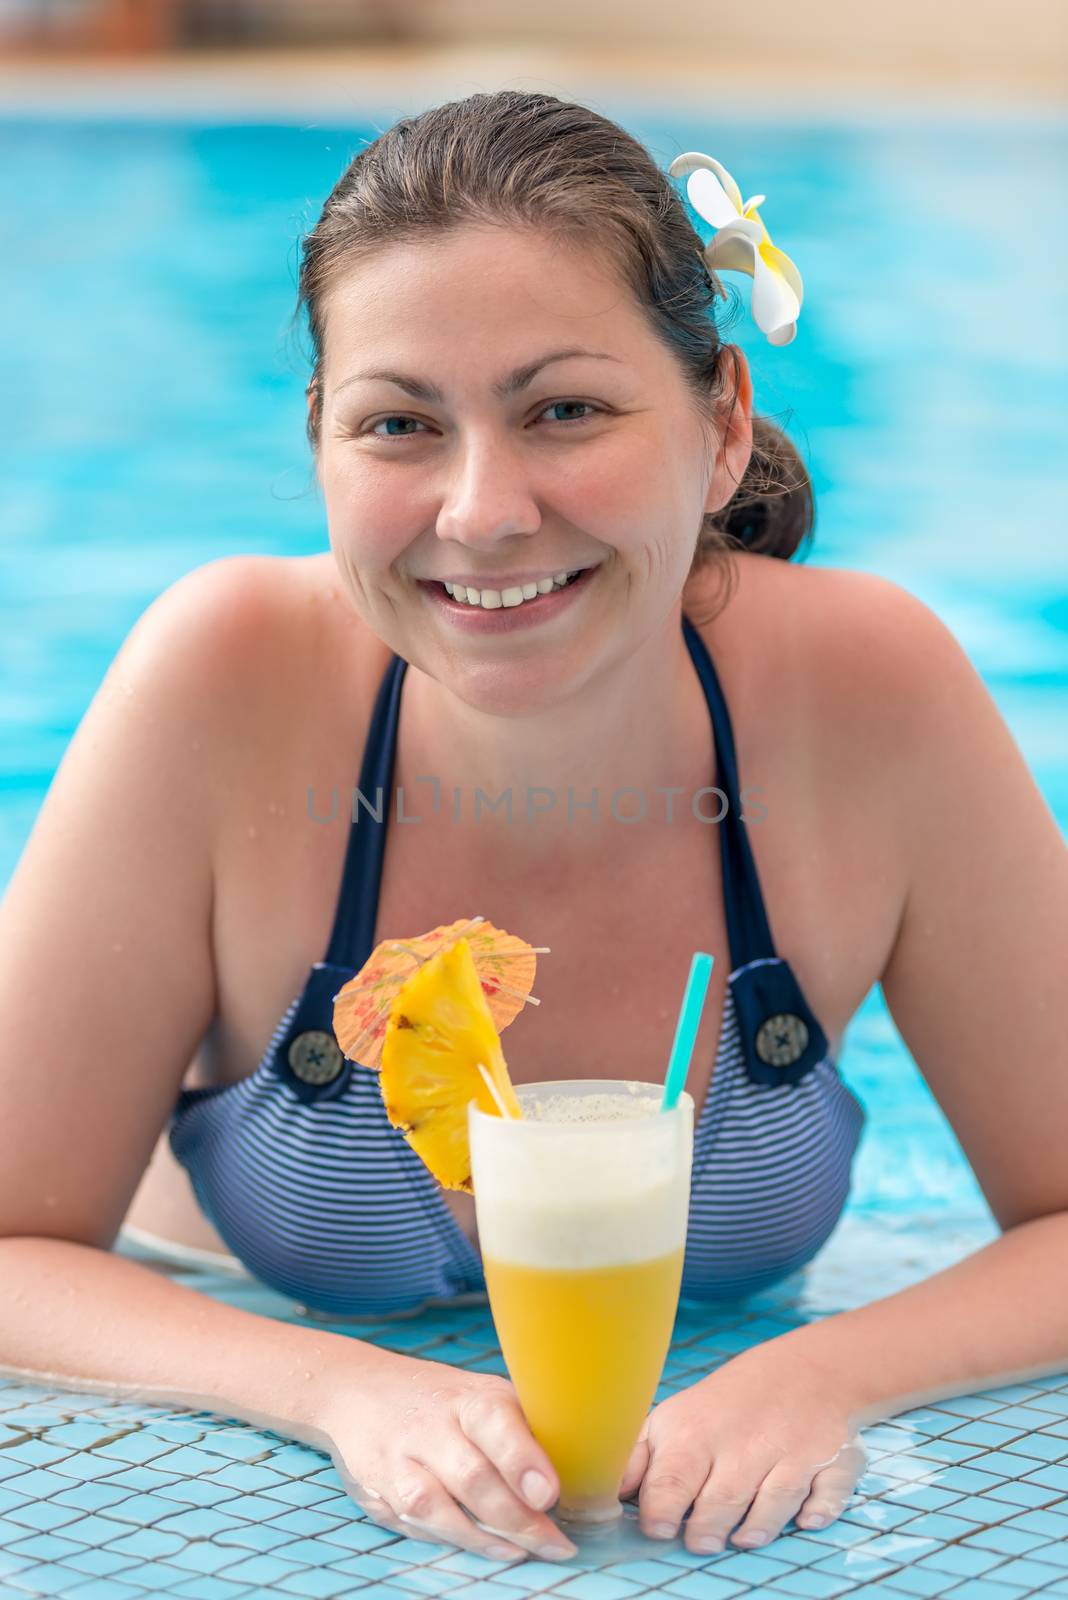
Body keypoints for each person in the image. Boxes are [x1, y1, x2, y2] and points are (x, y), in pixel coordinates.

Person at [0, 89, 1065, 1565]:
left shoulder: (866, 694)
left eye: (564, 409)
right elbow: (12, 1249)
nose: (484, 512)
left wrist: (817, 1374)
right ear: (320, 447)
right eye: (399, 425)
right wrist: (341, 1391)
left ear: (720, 424)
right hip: (262, 1396)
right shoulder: (221, 679)